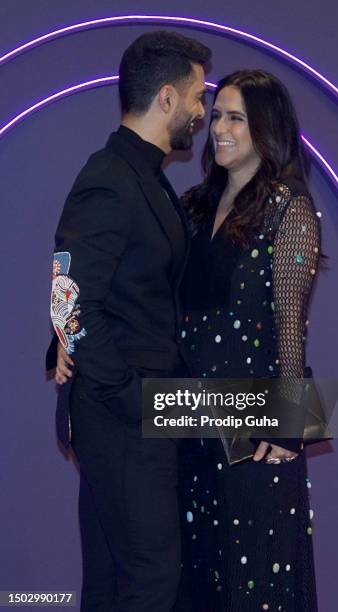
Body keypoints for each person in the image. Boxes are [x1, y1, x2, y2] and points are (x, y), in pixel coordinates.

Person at [47, 31, 211, 612]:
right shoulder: (110, 177)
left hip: (143, 409)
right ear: (166, 98)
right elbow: (68, 296)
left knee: (122, 583)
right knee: (149, 581)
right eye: (197, 96)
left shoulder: (148, 178)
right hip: (124, 417)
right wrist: (128, 397)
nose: (201, 111)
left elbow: (100, 293)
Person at [175, 70, 320, 611]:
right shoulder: (192, 205)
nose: (219, 128)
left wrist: (289, 424)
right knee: (198, 577)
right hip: (190, 424)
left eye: (235, 117)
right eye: (215, 115)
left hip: (257, 433)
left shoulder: (289, 209)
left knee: (255, 578)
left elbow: (290, 327)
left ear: (266, 127)